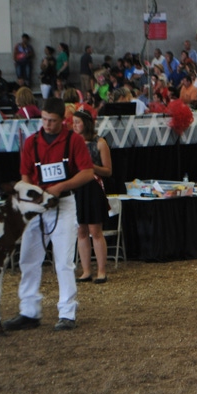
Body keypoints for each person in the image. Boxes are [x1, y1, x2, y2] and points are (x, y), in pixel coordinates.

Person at [4, 97, 95, 332]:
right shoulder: (31, 142)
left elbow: (87, 173)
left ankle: (67, 312)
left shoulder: (74, 141)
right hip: (36, 208)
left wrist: (60, 187)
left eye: (52, 121)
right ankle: (29, 311)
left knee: (63, 261)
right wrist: (33, 194)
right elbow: (25, 175)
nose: (47, 124)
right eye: (44, 119)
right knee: (28, 258)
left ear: (62, 120)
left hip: (63, 205)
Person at [70, 109, 113, 285]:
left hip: (94, 188)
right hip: (77, 188)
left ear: (86, 124)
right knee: (81, 231)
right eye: (72, 122)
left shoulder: (99, 143)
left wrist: (91, 166)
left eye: (77, 122)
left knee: (95, 231)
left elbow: (108, 171)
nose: (74, 125)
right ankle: (86, 270)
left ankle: (101, 271)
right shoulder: (72, 143)